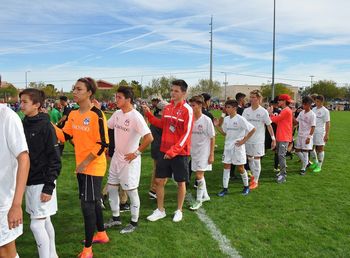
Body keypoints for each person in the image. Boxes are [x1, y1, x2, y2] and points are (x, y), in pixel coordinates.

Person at [54, 77, 109, 258]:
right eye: (74, 89)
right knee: (92, 202)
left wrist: (84, 163)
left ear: (89, 93)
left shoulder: (97, 115)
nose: (74, 92)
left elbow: (102, 144)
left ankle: (87, 249)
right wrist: (49, 124)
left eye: (78, 89)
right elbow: (64, 135)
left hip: (92, 168)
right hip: (82, 167)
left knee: (87, 205)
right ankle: (101, 234)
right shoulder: (73, 114)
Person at [143, 79, 193, 223]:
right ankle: (160, 210)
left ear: (184, 93)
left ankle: (179, 210)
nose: (173, 93)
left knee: (180, 182)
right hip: (164, 151)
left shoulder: (187, 110)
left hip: (179, 153)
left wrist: (174, 150)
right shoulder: (168, 107)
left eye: (176, 91)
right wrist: (149, 115)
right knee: (159, 181)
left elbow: (187, 134)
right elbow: (163, 125)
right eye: (172, 90)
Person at [104, 86, 153, 234]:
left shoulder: (136, 116)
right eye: (116, 97)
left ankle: (134, 222)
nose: (116, 99)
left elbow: (149, 137)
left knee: (131, 191)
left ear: (128, 99)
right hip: (116, 158)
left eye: (119, 97)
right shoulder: (118, 114)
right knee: (112, 187)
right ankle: (115, 217)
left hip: (129, 161)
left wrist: (136, 153)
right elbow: (107, 126)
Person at [19, 88, 61, 258]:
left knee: (36, 225)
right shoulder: (23, 123)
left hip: (42, 182)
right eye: (20, 101)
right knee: (45, 220)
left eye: (24, 102)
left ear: (36, 105)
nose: (21, 105)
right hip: (30, 181)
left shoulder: (46, 126)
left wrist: (49, 186)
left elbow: (55, 159)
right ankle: (53, 254)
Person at [0, 104, 30, 258]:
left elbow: (24, 158)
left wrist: (16, 204)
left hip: (3, 200)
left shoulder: (7, 117)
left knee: (5, 251)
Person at [214, 99, 256, 196]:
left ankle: (246, 187)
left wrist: (243, 141)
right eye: (226, 107)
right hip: (228, 147)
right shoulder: (227, 119)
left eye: (228, 107)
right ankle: (225, 188)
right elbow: (225, 133)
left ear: (235, 108)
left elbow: (253, 129)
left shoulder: (240, 119)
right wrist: (217, 126)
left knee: (240, 168)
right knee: (226, 166)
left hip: (238, 147)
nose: (226, 109)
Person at [242, 90, 276, 189]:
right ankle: (253, 176)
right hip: (248, 139)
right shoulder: (246, 111)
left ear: (259, 99)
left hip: (258, 140)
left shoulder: (263, 111)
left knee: (257, 160)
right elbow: (243, 125)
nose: (251, 99)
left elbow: (269, 126)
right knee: (250, 158)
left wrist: (273, 139)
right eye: (251, 97)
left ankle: (256, 181)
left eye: (254, 97)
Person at [188, 95, 215, 210]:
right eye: (190, 105)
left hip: (204, 152)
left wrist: (212, 154)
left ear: (200, 105)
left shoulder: (206, 120)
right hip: (194, 151)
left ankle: (199, 200)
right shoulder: (190, 119)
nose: (191, 107)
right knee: (199, 175)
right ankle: (206, 195)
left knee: (199, 176)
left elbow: (213, 137)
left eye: (193, 105)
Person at [268, 94, 293, 183]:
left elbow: (275, 120)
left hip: (284, 136)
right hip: (281, 135)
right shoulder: (284, 110)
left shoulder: (286, 110)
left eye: (280, 100)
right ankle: (282, 173)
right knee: (280, 155)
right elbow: (279, 122)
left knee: (281, 156)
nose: (278, 102)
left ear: (284, 101)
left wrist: (270, 113)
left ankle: (283, 175)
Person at [149, 100, 168, 200]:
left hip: (155, 148)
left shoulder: (154, 118)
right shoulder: (161, 120)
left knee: (156, 170)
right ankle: (155, 190)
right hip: (161, 149)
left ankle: (153, 190)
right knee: (163, 172)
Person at [295, 96, 316, 175]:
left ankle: (303, 168)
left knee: (305, 152)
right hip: (300, 135)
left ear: (310, 104)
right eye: (303, 104)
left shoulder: (312, 115)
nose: (304, 106)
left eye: (305, 104)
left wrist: (309, 137)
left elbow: (313, 126)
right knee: (297, 151)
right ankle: (306, 162)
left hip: (306, 136)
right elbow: (296, 122)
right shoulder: (301, 112)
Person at [310, 95, 330, 173]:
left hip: (320, 132)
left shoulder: (325, 111)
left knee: (320, 148)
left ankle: (319, 166)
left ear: (322, 102)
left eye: (318, 101)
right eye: (316, 101)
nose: (316, 102)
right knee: (311, 147)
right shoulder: (313, 109)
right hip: (312, 131)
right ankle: (316, 162)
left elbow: (328, 123)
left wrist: (327, 134)